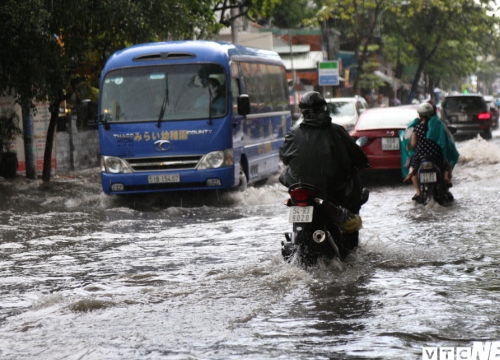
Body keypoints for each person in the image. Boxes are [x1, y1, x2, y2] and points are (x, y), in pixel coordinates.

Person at [279, 91, 370, 250]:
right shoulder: (336, 131)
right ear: (324, 109)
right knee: (355, 198)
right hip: (331, 191)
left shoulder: (294, 133)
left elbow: (285, 158)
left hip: (303, 189)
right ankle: (351, 246)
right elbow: (359, 158)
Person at [403, 102, 460, 203]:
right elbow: (443, 142)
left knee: (412, 165)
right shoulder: (438, 125)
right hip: (435, 156)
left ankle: (418, 191)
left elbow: (413, 144)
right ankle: (446, 180)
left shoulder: (416, 128)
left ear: (420, 115)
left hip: (421, 156)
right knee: (446, 165)